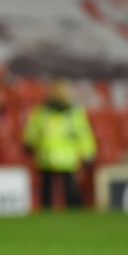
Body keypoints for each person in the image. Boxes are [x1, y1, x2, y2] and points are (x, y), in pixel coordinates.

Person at [23, 80, 96, 210]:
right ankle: (60, 215)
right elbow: (83, 134)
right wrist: (88, 153)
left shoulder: (64, 112)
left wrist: (88, 152)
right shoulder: (46, 112)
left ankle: (68, 215)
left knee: (62, 190)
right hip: (54, 157)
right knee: (51, 191)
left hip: (58, 157)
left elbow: (83, 133)